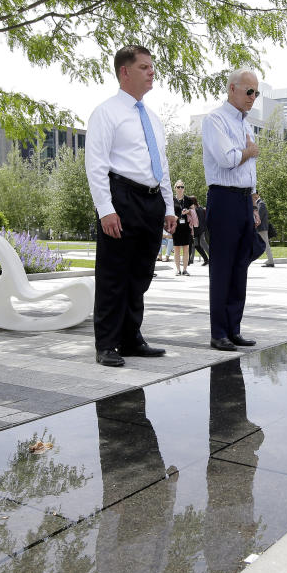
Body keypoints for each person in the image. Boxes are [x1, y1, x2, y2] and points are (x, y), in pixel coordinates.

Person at [85, 45, 177, 367]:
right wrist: (105, 209)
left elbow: (161, 164)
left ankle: (130, 337)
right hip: (120, 197)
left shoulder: (152, 117)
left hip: (151, 200)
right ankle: (107, 344)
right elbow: (95, 164)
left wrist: (169, 207)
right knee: (114, 275)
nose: (152, 71)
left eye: (152, 66)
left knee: (140, 274)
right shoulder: (106, 112)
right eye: (144, 67)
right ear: (125, 72)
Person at [201, 68, 262, 351]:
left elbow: (248, 170)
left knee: (240, 267)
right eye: (249, 91)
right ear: (232, 89)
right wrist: (249, 152)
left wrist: (253, 203)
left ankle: (234, 328)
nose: (252, 97)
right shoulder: (215, 119)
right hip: (223, 198)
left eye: (256, 93)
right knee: (222, 267)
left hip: (242, 200)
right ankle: (219, 333)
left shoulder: (245, 125)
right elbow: (228, 159)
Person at [172, 179, 194, 276]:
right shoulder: (172, 200)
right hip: (176, 227)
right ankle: (177, 269)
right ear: (175, 188)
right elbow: (168, 212)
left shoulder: (188, 199)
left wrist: (188, 211)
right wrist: (174, 217)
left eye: (182, 187)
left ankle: (185, 269)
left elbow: (194, 211)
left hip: (186, 227)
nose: (180, 189)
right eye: (178, 187)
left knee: (186, 248)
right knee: (176, 249)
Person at [254, 193, 275, 267]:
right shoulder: (258, 203)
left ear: (257, 195)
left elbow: (259, 216)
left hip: (261, 228)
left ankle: (270, 261)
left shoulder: (261, 204)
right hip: (260, 228)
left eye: (253, 195)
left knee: (266, 245)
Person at [191, 196, 209, 265]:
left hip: (198, 230)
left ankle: (209, 259)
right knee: (195, 245)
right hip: (201, 229)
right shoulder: (200, 208)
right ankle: (191, 260)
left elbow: (198, 221)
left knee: (201, 244)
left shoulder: (196, 210)